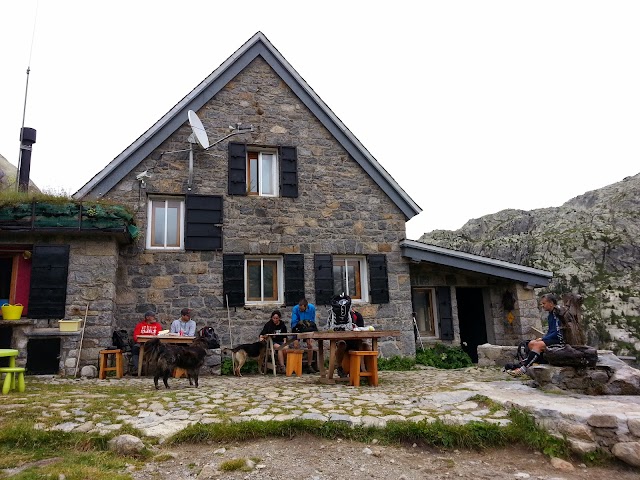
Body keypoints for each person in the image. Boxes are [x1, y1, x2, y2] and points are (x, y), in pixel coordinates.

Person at [508, 293, 565, 377]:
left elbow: (558, 332)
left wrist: (543, 339)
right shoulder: (550, 315)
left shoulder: (557, 313)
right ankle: (537, 363)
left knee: (538, 345)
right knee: (531, 343)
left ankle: (523, 370)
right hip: (553, 338)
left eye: (544, 303)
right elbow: (550, 331)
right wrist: (543, 338)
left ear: (551, 303)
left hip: (559, 340)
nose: (542, 305)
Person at [335, 306, 371, 378]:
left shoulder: (358, 316)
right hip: (344, 340)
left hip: (356, 340)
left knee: (366, 347)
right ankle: (339, 367)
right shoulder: (339, 317)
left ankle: (367, 368)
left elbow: (361, 330)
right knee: (341, 344)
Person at [132, 310, 163, 375]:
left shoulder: (157, 325)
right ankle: (137, 369)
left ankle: (160, 370)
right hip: (141, 344)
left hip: (153, 345)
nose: (154, 318)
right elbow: (135, 337)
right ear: (147, 317)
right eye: (153, 316)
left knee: (162, 350)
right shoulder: (140, 325)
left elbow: (159, 336)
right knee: (135, 348)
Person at [291, 298, 317, 373]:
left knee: (310, 345)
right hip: (297, 327)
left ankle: (309, 365)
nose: (300, 310)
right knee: (296, 344)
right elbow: (294, 321)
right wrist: (300, 325)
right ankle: (297, 364)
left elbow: (312, 320)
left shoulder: (312, 308)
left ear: (306, 306)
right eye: (300, 308)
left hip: (307, 327)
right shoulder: (295, 309)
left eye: (302, 309)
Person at [259, 310, 288, 374]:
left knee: (286, 348)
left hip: (281, 341)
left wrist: (285, 342)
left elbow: (285, 336)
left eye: (276, 318)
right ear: (272, 318)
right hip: (272, 342)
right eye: (274, 318)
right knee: (280, 348)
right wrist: (261, 338)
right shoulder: (269, 325)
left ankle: (284, 364)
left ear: (279, 318)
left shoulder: (282, 325)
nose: (275, 320)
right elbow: (262, 334)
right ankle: (282, 366)